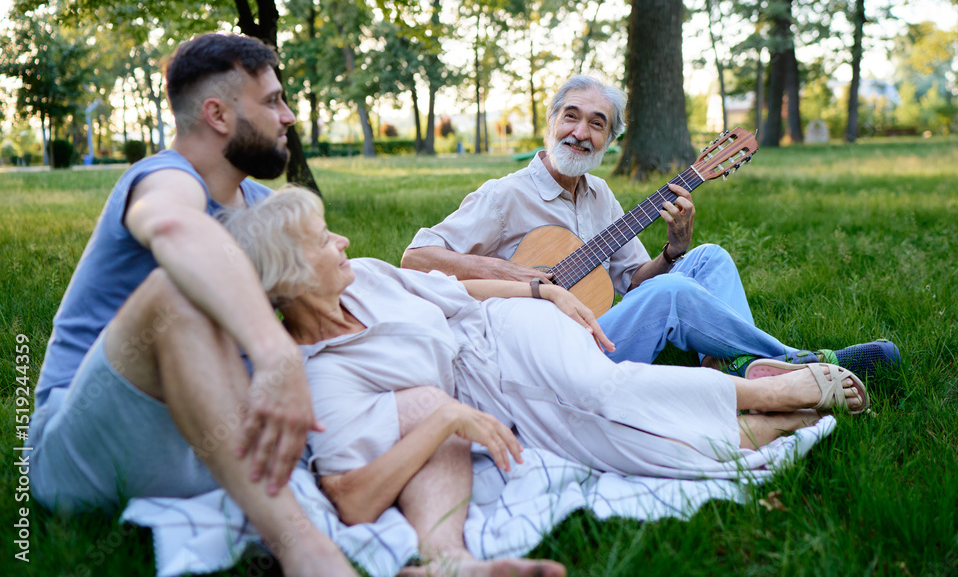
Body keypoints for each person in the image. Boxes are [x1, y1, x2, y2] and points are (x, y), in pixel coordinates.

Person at [222, 186, 871, 575]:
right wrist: (445, 417)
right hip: (482, 387)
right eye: (320, 239)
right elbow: (352, 497)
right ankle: (761, 425)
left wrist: (540, 290)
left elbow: (451, 286)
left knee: (600, 393)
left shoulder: (364, 273)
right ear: (292, 273)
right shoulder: (324, 372)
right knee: (609, 444)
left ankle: (769, 390)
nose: (340, 239)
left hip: (506, 328)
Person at [26, 34, 357, 577]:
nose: (289, 115)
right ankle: (309, 557)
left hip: (209, 443)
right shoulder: (164, 178)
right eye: (272, 100)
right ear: (217, 114)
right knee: (175, 294)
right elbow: (175, 225)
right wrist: (275, 352)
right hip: (84, 453)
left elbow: (335, 284)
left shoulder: (262, 205)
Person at [400, 74, 900, 378]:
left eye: (597, 124)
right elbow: (415, 258)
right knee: (669, 299)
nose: (580, 132)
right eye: (571, 117)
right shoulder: (506, 195)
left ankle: (731, 367)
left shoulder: (601, 196)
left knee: (709, 258)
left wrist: (674, 248)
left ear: (609, 140)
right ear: (551, 122)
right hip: (538, 352)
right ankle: (798, 362)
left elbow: (633, 281)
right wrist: (518, 277)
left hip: (600, 331)